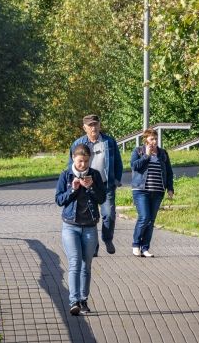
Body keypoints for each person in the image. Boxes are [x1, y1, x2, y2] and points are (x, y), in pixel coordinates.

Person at [56, 143, 105, 315]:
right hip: (71, 226)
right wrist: (73, 189)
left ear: (89, 160)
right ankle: (74, 301)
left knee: (87, 265)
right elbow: (59, 200)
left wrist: (90, 187)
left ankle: (83, 300)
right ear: (73, 159)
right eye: (79, 161)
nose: (82, 165)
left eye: (85, 161)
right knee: (75, 262)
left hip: (90, 227)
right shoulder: (66, 175)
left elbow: (102, 198)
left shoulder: (95, 175)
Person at [69, 114, 122, 255]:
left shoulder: (109, 142)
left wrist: (116, 180)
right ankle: (94, 246)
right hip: (86, 185)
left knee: (109, 215)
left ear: (99, 125)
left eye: (96, 124)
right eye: (90, 125)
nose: (94, 127)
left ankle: (107, 238)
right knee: (91, 217)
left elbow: (118, 162)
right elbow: (71, 165)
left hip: (105, 185)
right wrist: (76, 182)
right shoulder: (78, 144)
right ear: (84, 127)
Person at [130, 128, 174, 258]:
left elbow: (169, 171)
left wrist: (170, 188)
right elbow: (134, 166)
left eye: (155, 139)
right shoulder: (138, 151)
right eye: (151, 139)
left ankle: (145, 248)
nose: (154, 142)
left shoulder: (162, 153)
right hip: (141, 190)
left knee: (151, 220)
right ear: (146, 140)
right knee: (144, 217)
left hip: (158, 190)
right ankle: (136, 244)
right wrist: (147, 156)